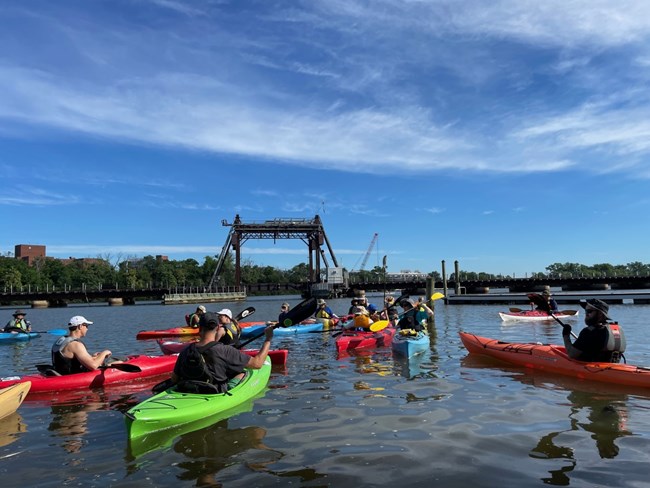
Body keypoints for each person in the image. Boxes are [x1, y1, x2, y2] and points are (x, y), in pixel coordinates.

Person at [171, 311, 274, 392]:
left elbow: (174, 379)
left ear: (200, 328)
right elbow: (258, 364)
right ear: (218, 327)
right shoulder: (225, 350)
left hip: (188, 389)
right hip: (214, 393)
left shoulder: (186, 351)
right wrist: (268, 339)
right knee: (244, 373)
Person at [562, 298, 626, 363]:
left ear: (600, 314)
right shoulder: (615, 329)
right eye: (586, 311)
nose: (586, 314)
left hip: (594, 369)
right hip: (613, 366)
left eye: (589, 311)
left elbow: (571, 354)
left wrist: (566, 335)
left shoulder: (589, 332)